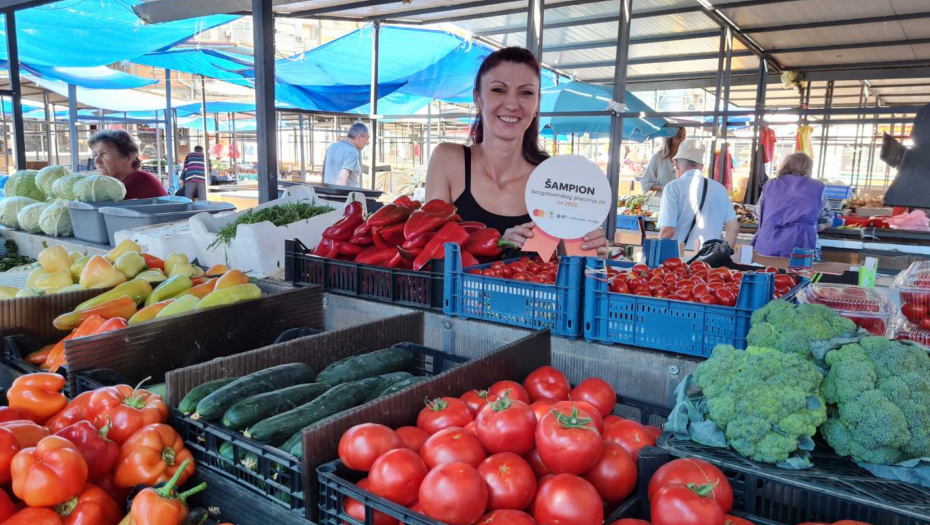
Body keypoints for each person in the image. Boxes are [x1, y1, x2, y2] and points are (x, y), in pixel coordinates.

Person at [424, 47, 608, 257]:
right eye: (498, 90)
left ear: (537, 103)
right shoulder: (448, 160)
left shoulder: (553, 179)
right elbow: (428, 250)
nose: (512, 104)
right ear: (478, 98)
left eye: (526, 93)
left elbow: (567, 263)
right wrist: (499, 242)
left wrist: (590, 251)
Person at [657, 138, 738, 250]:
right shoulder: (720, 188)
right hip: (710, 259)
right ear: (702, 166)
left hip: (681, 260)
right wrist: (725, 254)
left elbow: (668, 231)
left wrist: (653, 256)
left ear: (676, 164)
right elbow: (733, 228)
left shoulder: (673, 187)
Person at [752, 152, 830, 258]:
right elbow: (824, 221)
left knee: (768, 273)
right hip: (802, 244)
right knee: (799, 274)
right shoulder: (818, 187)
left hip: (768, 245)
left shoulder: (770, 184)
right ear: (809, 168)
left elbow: (758, 218)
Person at [88, 130, 167, 200]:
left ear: (129, 158)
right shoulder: (127, 181)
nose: (96, 161)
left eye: (103, 154)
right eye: (95, 155)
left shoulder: (134, 184)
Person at [640, 127, 686, 194]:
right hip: (661, 201)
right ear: (669, 138)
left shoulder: (686, 158)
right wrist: (663, 188)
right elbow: (645, 183)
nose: (683, 140)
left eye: (684, 137)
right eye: (679, 137)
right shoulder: (657, 157)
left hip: (680, 202)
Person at [323, 122, 370, 187]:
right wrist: (340, 196)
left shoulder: (331, 147)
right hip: (345, 195)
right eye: (367, 138)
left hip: (327, 193)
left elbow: (324, 175)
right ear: (359, 137)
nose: (367, 142)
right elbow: (341, 178)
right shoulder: (352, 152)